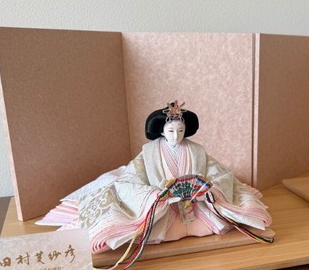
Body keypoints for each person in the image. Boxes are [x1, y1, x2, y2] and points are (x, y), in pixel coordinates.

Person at [41, 101, 272, 253]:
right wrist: (154, 195)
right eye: (171, 131)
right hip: (164, 209)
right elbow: (129, 180)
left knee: (222, 211)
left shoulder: (197, 151)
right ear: (161, 131)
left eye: (180, 131)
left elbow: (220, 173)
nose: (176, 135)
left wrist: (209, 190)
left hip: (198, 206)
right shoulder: (148, 153)